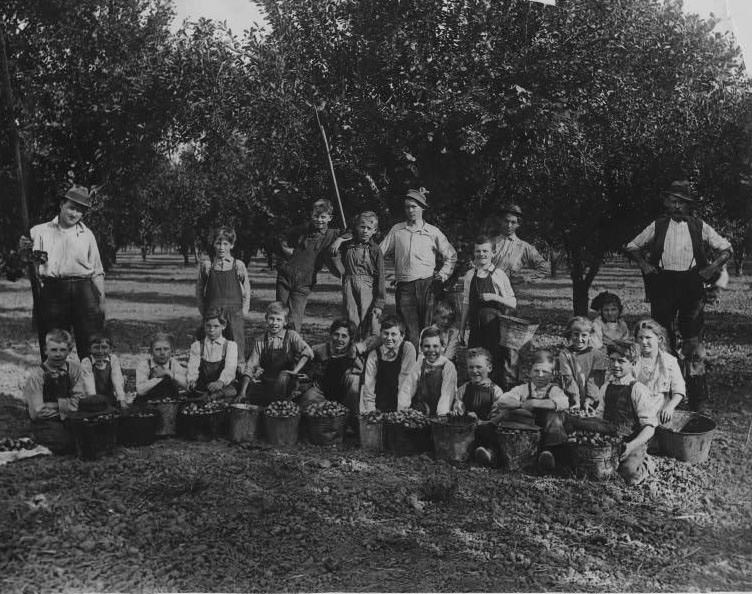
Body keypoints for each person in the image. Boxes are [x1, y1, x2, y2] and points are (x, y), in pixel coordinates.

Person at [625, 179, 731, 411]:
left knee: (692, 341)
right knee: (662, 338)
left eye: (681, 203)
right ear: (666, 203)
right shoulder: (658, 225)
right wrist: (644, 264)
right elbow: (632, 246)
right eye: (672, 201)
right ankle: (667, 392)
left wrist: (711, 269)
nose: (676, 207)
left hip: (692, 285)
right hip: (663, 284)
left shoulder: (699, 226)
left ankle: (697, 396)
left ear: (688, 205)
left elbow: (726, 249)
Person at [22, 185, 106, 361]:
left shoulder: (87, 235)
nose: (75, 214)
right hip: (53, 291)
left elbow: (97, 271)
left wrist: (101, 300)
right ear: (61, 204)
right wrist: (23, 247)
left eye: (80, 211)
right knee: (54, 341)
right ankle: (55, 383)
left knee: (90, 342)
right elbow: (24, 257)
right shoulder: (39, 231)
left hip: (84, 291)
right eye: (72, 208)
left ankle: (91, 383)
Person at [380, 188, 457, 347]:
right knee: (410, 334)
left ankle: (430, 367)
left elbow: (451, 255)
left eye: (414, 207)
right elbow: (379, 253)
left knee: (428, 331)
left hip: (428, 286)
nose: (410, 210)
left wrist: (442, 275)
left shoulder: (432, 232)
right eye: (407, 207)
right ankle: (411, 368)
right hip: (405, 287)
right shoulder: (397, 230)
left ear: (423, 208)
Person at [594, 340, 660, 485]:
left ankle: (646, 464)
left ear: (633, 364)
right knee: (595, 470)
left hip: (632, 442)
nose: (615, 365)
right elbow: (599, 416)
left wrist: (632, 445)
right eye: (612, 360)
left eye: (621, 361)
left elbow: (649, 427)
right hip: (610, 440)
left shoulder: (638, 390)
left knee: (628, 475)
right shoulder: (606, 387)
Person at [493, 349, 569, 470]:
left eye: (545, 372)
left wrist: (534, 403)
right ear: (529, 372)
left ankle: (549, 456)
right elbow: (502, 401)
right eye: (536, 371)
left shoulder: (554, 390)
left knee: (554, 417)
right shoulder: (523, 389)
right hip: (526, 433)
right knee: (507, 414)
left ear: (552, 374)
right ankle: (495, 455)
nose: (540, 375)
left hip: (547, 433)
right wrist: (521, 404)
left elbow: (563, 403)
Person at [276, 199, 344, 332]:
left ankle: (292, 346)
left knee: (295, 317)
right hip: (285, 276)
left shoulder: (332, 234)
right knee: (278, 313)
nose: (319, 220)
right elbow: (282, 236)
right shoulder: (302, 229)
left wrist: (340, 240)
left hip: (305, 282)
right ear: (311, 215)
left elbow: (352, 232)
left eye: (323, 217)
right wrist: (286, 250)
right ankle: (276, 346)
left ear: (330, 218)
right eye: (316, 216)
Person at [458, 235, 517, 390]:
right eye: (478, 251)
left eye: (485, 251)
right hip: (476, 328)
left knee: (494, 362)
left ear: (493, 253)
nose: (481, 254)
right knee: (475, 361)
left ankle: (496, 396)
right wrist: (462, 328)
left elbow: (513, 302)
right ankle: (476, 395)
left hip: (494, 328)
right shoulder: (470, 275)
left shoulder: (498, 274)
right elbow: (466, 303)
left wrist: (493, 297)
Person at [238, 302, 314, 405]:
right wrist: (243, 393)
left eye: (279, 319)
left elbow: (308, 352)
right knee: (251, 400)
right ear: (266, 319)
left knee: (284, 392)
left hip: (287, 383)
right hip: (267, 382)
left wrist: (295, 371)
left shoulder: (291, 336)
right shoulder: (261, 340)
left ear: (285, 322)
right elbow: (250, 366)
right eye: (271, 318)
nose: (274, 323)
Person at [22, 329, 85, 453]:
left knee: (89, 435)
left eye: (62, 350)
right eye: (54, 350)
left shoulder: (75, 370)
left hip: (71, 417)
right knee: (66, 444)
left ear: (69, 351)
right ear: (45, 350)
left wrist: (55, 405)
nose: (58, 354)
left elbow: (81, 400)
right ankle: (38, 436)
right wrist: (68, 406)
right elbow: (38, 413)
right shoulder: (37, 376)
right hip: (46, 422)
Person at [196, 226, 251, 365]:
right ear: (213, 244)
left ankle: (238, 370)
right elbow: (199, 289)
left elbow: (246, 289)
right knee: (212, 342)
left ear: (231, 245)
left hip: (234, 312)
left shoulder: (238, 265)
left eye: (225, 244)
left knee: (236, 341)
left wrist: (244, 310)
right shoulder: (207, 266)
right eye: (218, 243)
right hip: (213, 311)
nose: (221, 247)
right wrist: (204, 310)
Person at [332, 211, 386, 338]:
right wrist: (340, 239)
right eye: (362, 227)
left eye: (369, 228)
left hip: (367, 287)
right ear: (356, 227)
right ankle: (352, 349)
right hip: (349, 284)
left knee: (368, 319)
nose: (365, 231)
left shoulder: (375, 250)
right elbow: (334, 256)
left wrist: (380, 302)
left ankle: (367, 350)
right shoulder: (347, 245)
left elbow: (381, 278)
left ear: (374, 231)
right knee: (351, 318)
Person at [451, 347, 505, 466]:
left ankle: (489, 454)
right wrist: (458, 410)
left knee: (488, 433)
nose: (474, 371)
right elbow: (459, 406)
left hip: (485, 426)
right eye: (471, 367)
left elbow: (497, 417)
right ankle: (467, 454)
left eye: (479, 367)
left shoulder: (495, 391)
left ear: (489, 368)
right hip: (468, 429)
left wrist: (481, 422)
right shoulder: (463, 389)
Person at [300, 319, 362, 423]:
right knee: (306, 404)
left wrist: (353, 366)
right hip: (322, 391)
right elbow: (305, 362)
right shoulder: (320, 349)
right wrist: (308, 375)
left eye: (344, 336)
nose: (339, 339)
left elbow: (363, 371)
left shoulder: (353, 352)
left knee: (355, 380)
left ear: (351, 339)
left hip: (344, 394)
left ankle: (350, 419)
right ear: (331, 334)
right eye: (336, 334)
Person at [482, 203, 549, 288]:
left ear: (518, 224)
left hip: (508, 294)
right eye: (506, 221)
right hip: (485, 291)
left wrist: (526, 279)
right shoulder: (489, 242)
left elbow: (545, 268)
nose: (509, 225)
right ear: (501, 221)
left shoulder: (524, 247)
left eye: (513, 222)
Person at [633, 318, 686, 424]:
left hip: (659, 411)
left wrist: (670, 407)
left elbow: (679, 390)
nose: (644, 342)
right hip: (635, 410)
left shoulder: (670, 361)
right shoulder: (632, 360)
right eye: (640, 338)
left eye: (648, 338)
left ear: (659, 339)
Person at [360, 315, 417, 413]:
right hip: (380, 404)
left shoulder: (407, 349)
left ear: (402, 336)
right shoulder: (374, 355)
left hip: (403, 402)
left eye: (393, 334)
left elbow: (406, 382)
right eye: (385, 333)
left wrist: (400, 413)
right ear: (380, 333)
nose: (389, 338)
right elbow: (369, 387)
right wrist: (371, 412)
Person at [397, 327, 457, 416]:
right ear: (421, 347)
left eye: (435, 346)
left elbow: (447, 394)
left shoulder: (448, 366)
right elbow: (407, 388)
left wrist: (441, 416)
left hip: (442, 411)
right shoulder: (420, 364)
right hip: (423, 409)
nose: (431, 350)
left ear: (443, 347)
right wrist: (402, 410)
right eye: (427, 346)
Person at [557, 316, 608, 410]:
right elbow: (568, 378)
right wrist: (575, 399)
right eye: (576, 334)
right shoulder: (565, 354)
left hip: (593, 397)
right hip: (571, 396)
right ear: (570, 335)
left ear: (590, 336)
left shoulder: (597, 355)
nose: (579, 339)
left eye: (584, 335)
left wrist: (589, 399)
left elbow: (595, 379)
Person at [186, 309, 239, 399]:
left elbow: (230, 368)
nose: (211, 330)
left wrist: (220, 382)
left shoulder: (230, 346)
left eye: (216, 326)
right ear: (204, 326)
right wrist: (192, 380)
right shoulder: (197, 346)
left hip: (224, 388)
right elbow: (193, 366)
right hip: (204, 388)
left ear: (223, 326)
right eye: (208, 326)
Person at [135, 332, 187, 403]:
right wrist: (158, 377)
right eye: (158, 349)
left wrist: (170, 374)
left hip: (170, 405)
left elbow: (187, 385)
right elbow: (140, 390)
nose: (162, 353)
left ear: (171, 350)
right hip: (147, 406)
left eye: (166, 349)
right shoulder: (144, 365)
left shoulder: (173, 363)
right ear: (151, 351)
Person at [80, 334, 127, 408]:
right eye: (96, 347)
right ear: (89, 349)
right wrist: (95, 402)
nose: (100, 351)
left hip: (109, 396)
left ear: (110, 349)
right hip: (93, 397)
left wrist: (121, 399)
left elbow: (117, 378)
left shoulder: (113, 359)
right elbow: (89, 384)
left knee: (122, 379)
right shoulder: (86, 362)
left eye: (104, 347)